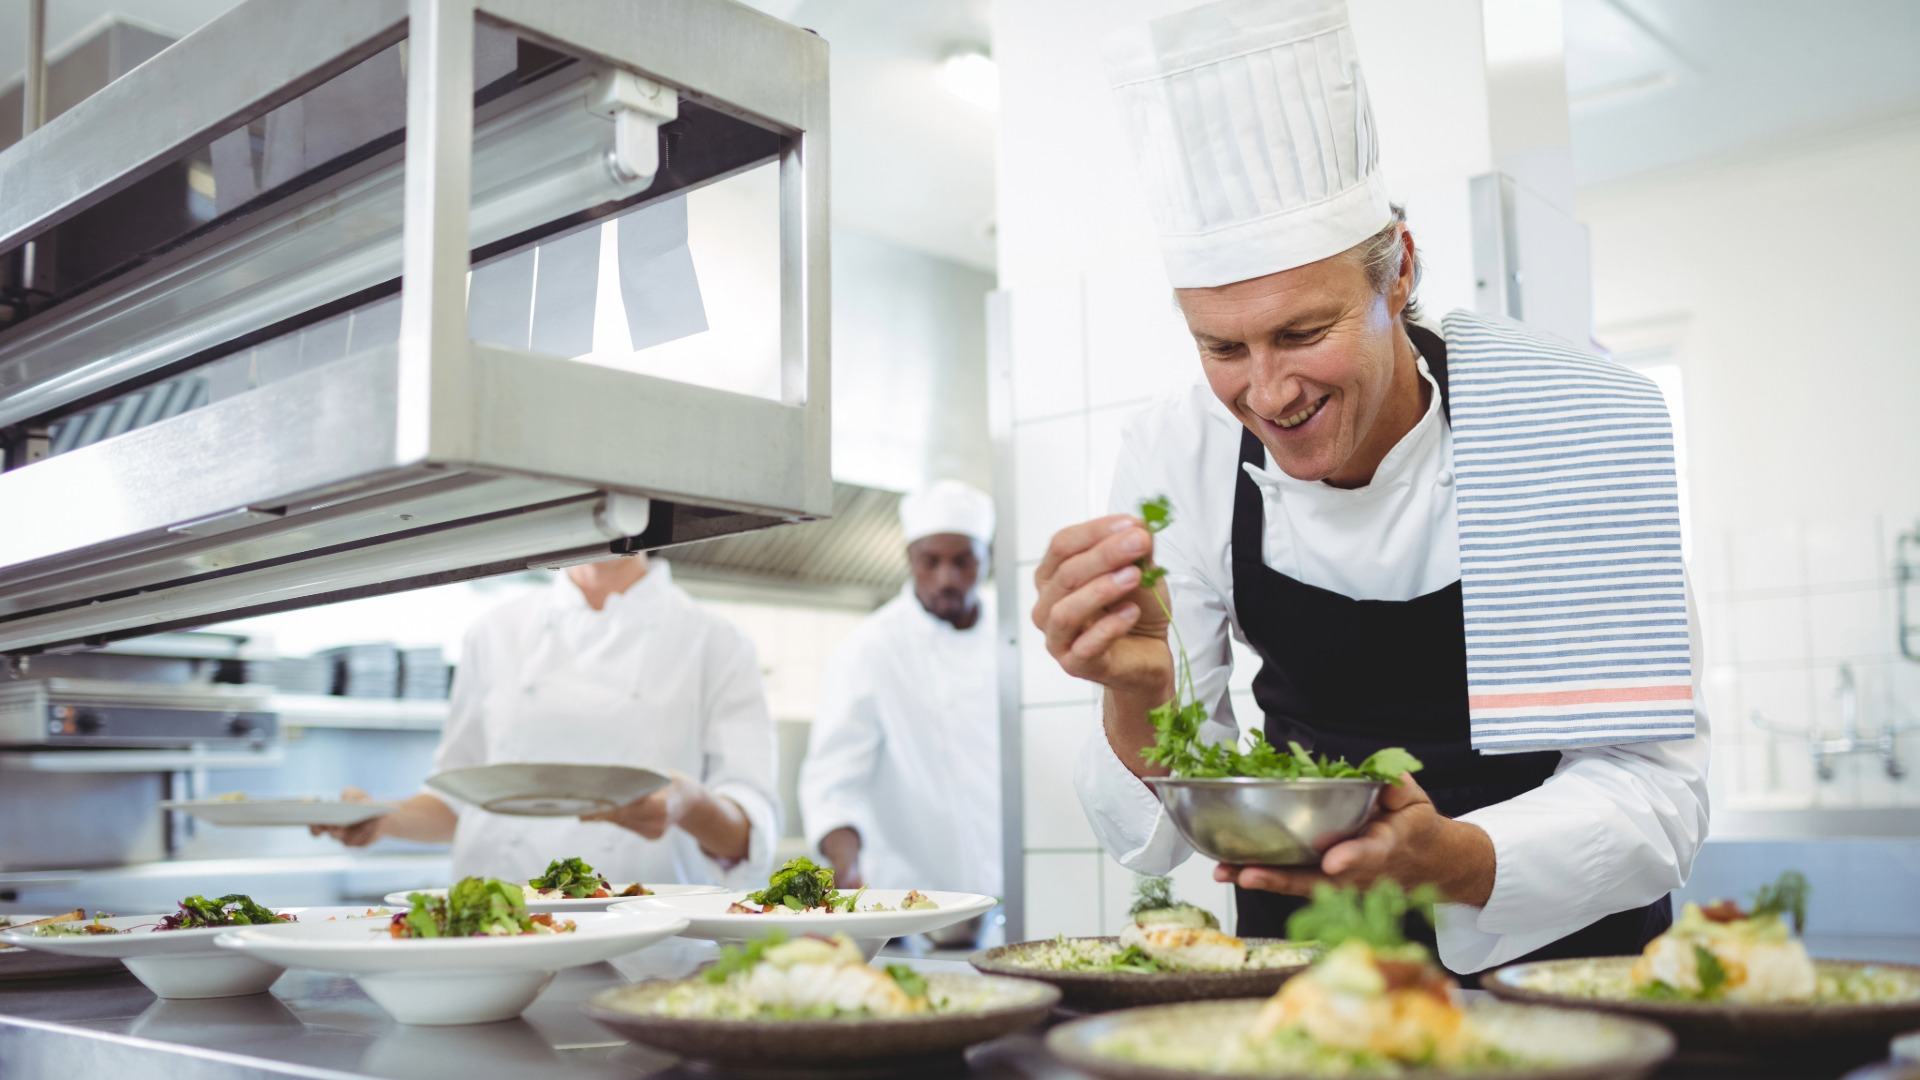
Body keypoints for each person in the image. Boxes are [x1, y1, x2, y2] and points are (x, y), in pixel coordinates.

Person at [1033, 0, 1708, 976]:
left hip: (1567, 979)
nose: (1267, 392)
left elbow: (1657, 796)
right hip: (1308, 978)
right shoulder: (1179, 450)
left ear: (1400, 276)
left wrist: (1451, 860)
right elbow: (1163, 831)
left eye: (1304, 333)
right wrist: (1135, 697)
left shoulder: (1567, 421)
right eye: (1223, 347)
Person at [314, 553, 779, 888]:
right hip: (496, 935)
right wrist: (381, 819)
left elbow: (747, 839)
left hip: (645, 951)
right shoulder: (494, 631)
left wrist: (690, 804)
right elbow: (461, 802)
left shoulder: (716, 642)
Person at [799, 480, 1002, 896]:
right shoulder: (869, 649)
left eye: (963, 561)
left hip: (1008, 895)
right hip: (902, 906)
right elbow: (833, 781)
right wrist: (845, 866)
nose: (946, 578)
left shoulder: (1014, 639)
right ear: (909, 558)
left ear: (986, 560)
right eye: (930, 561)